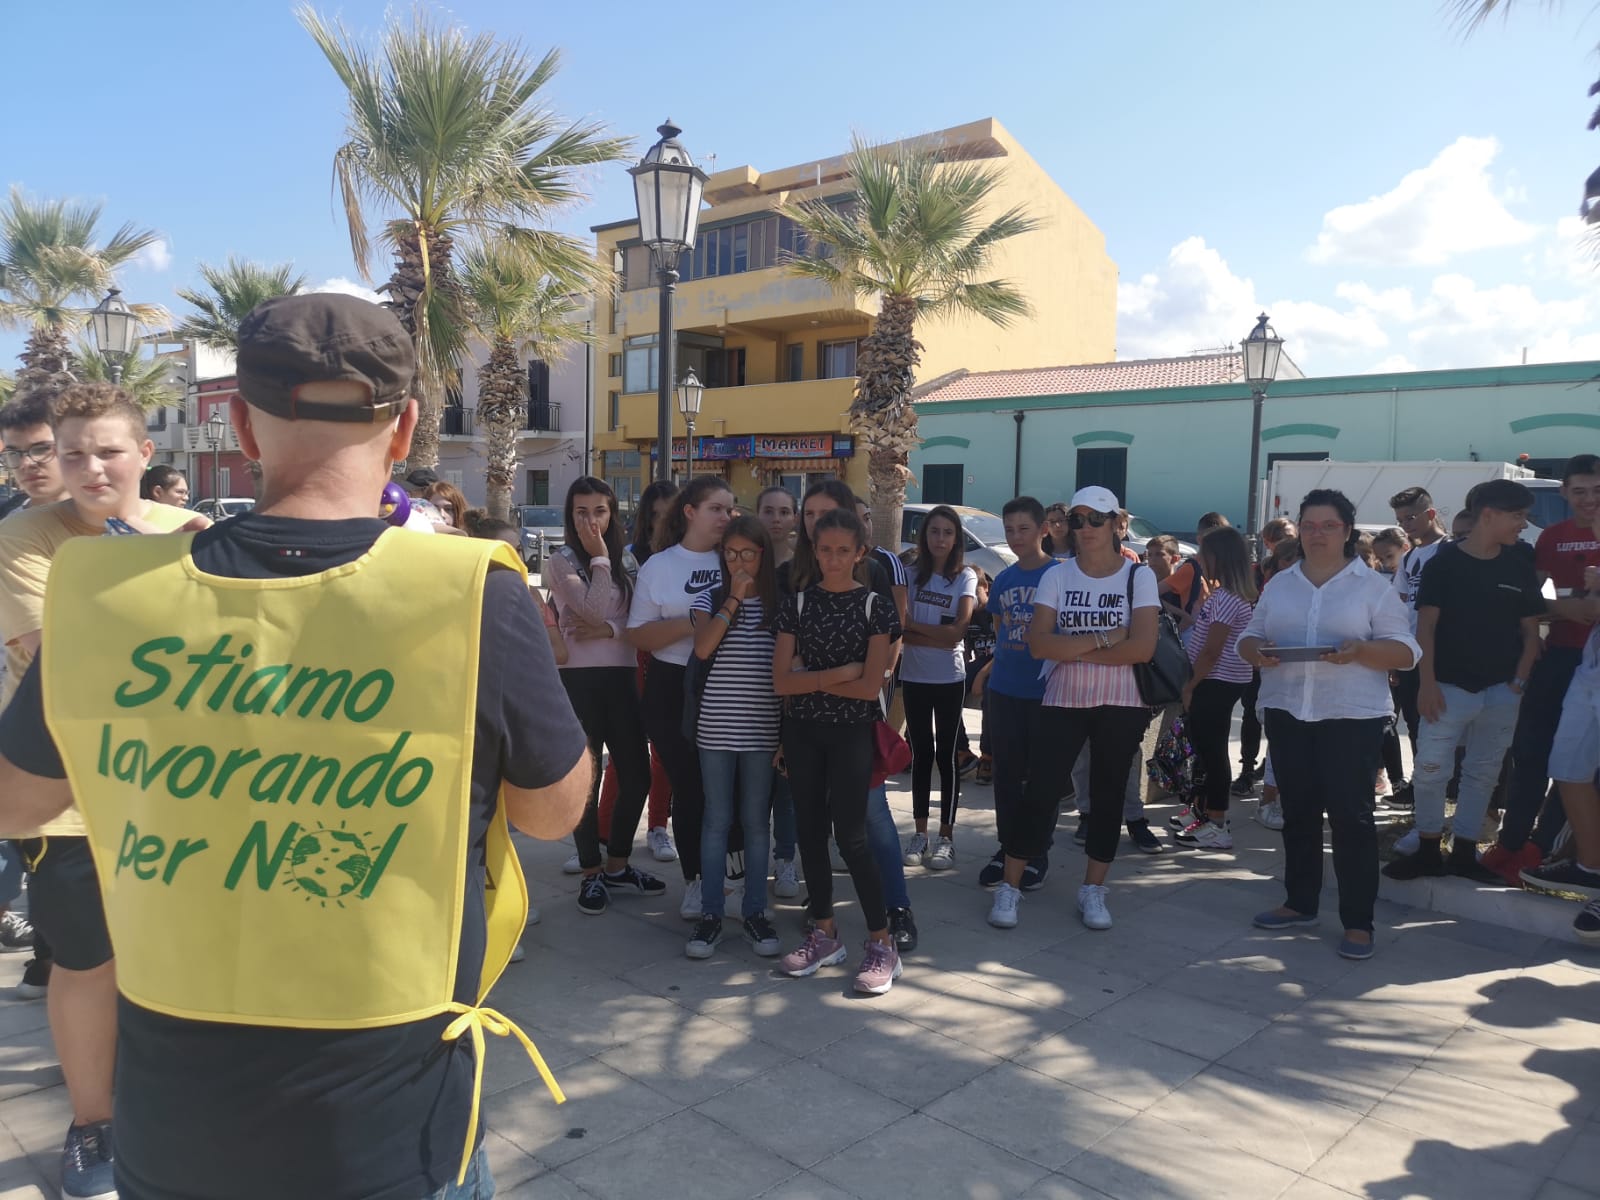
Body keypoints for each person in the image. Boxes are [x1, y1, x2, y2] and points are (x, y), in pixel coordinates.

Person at [1, 293, 594, 1200]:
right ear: (403, 431)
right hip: (390, 1121)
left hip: (175, 1118)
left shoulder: (101, 593)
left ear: (239, 424)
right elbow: (554, 815)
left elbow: (18, 802)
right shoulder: (470, 588)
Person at [0, 381, 206, 1198]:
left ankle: (166, 1108)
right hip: (67, 798)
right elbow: (68, 657)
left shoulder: (190, 530)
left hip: (182, 792)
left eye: (107, 451)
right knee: (87, 964)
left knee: (176, 961)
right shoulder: (26, 535)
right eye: (70, 452)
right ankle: (92, 1126)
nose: (89, 468)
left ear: (146, 456)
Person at [1240, 488, 1419, 961]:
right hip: (1287, 711)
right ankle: (1299, 903)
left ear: (1347, 531)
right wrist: (1256, 652)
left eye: (1330, 526)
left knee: (1350, 818)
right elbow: (1251, 635)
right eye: (1310, 526)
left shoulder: (1373, 587)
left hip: (1351, 717)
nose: (1318, 535)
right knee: (1297, 813)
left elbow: (1405, 651)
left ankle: (1358, 922)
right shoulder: (1280, 583)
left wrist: (1360, 651)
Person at [990, 486, 1158, 932]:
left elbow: (1142, 648)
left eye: (1094, 519)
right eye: (1077, 519)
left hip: (1121, 702)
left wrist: (1071, 650)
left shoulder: (1138, 576)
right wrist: (1105, 639)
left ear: (1117, 524)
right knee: (1040, 792)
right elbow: (1038, 644)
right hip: (1063, 699)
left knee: (1107, 796)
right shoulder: (1058, 576)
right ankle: (1011, 886)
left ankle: (1094, 888)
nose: (1084, 528)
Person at [779, 480, 918, 952]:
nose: (833, 558)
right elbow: (781, 681)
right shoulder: (796, 603)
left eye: (843, 550)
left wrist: (812, 676)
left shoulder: (876, 607)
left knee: (853, 837)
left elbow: (867, 689)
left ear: (860, 553)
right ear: (813, 551)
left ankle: (881, 939)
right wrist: (840, 671)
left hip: (851, 734)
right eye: (825, 550)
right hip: (802, 732)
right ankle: (824, 931)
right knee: (810, 836)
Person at [1384, 481, 1543, 882]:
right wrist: (1428, 684)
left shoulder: (1521, 560)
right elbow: (1427, 629)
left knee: (1483, 773)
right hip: (1448, 688)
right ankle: (1426, 851)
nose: (1524, 525)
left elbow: (1530, 629)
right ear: (1489, 515)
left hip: (1503, 690)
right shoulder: (1444, 563)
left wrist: (1519, 682)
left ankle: (1465, 854)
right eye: (1518, 516)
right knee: (1431, 771)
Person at [546, 478, 665, 917]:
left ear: (612, 512)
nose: (591, 520)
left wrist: (610, 629)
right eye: (581, 511)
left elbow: (634, 618)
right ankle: (591, 873)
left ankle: (618, 864)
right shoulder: (562, 561)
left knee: (636, 776)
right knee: (585, 783)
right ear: (569, 514)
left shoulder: (628, 559)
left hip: (623, 676)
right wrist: (598, 560)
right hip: (579, 681)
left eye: (599, 510)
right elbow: (593, 609)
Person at [1483, 454, 1600, 885]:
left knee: (1585, 768)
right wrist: (1566, 607)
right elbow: (1527, 601)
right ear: (1565, 493)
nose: (1588, 500)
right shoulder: (1552, 536)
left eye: (1598, 491)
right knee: (1534, 752)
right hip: (1561, 657)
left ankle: (1551, 846)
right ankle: (1513, 843)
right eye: (1580, 491)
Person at [625, 475, 734, 920]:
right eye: (716, 509)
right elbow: (639, 634)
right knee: (690, 789)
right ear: (690, 512)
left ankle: (733, 874)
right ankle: (696, 882)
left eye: (730, 509)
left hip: (729, 683)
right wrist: (697, 621)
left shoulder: (738, 560)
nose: (726, 517)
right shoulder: (660, 565)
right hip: (673, 686)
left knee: (729, 789)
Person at [685, 515, 782, 959]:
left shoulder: (782, 605)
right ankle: (710, 914)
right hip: (716, 728)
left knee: (757, 824)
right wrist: (734, 601)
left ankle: (756, 912)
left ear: (763, 555)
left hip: (763, 730)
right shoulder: (710, 597)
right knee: (716, 821)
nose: (739, 562)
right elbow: (703, 647)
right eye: (731, 554)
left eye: (748, 554)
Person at [593, 480, 679, 865]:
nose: (662, 523)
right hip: (630, 661)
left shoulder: (687, 558)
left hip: (670, 661)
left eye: (669, 515)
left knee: (663, 752)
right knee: (625, 751)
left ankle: (659, 827)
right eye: (656, 515)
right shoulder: (628, 558)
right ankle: (604, 829)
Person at [977, 498, 1056, 893]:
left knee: (1041, 779)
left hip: (1045, 694)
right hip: (1005, 691)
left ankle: (1037, 852)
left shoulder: (1059, 576)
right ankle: (1008, 849)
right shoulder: (1005, 579)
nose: (1016, 537)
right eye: (1009, 530)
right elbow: (1000, 629)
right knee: (1006, 778)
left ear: (1044, 529)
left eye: (1024, 528)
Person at [898, 505, 977, 871]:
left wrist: (918, 629)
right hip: (914, 676)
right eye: (934, 531)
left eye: (947, 532)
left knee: (946, 756)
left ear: (956, 538)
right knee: (921, 755)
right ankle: (920, 833)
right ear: (924, 536)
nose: (940, 538)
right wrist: (931, 633)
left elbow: (957, 634)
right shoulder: (910, 574)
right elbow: (901, 627)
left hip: (949, 678)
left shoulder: (965, 578)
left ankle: (946, 837)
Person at [1173, 526, 1258, 850]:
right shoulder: (1228, 595)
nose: (1198, 559)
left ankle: (1217, 822)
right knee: (1206, 749)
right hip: (1216, 681)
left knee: (1212, 752)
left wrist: (1190, 685)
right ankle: (1203, 812)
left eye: (1203, 554)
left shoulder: (1226, 599)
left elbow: (1212, 650)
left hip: (1214, 682)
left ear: (1217, 558)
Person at [755, 487, 800, 895]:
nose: (776, 519)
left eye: (784, 511)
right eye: (768, 511)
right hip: (750, 690)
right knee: (752, 788)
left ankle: (786, 860)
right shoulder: (744, 566)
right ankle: (752, 862)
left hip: (794, 690)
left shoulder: (803, 569)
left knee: (786, 785)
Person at [1389, 486, 1449, 759]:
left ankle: (1446, 786)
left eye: (1410, 518)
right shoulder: (1410, 557)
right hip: (1412, 651)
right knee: (1415, 723)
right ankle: (1420, 783)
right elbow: (1399, 606)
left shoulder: (1450, 550)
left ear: (1431, 513)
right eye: (1400, 520)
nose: (1405, 525)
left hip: (1442, 651)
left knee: (1443, 723)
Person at [1251, 537, 1300, 832]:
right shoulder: (1274, 591)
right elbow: (1252, 637)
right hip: (1278, 685)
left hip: (1310, 687)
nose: (1295, 565)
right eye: (1288, 559)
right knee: (1278, 749)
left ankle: (1286, 801)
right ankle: (1268, 802)